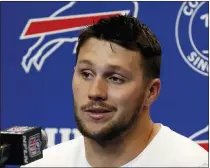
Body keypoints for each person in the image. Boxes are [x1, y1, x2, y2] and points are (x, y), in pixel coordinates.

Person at [23, 15, 208, 167]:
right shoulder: (44, 164)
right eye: (86, 74)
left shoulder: (192, 164)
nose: (95, 92)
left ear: (151, 91)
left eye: (115, 78)